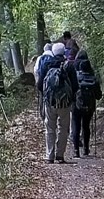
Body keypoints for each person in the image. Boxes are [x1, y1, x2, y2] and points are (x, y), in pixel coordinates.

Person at [33, 30, 78, 162]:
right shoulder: (69, 66)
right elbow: (75, 85)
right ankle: (60, 155)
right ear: (64, 52)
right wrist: (71, 98)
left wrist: (45, 96)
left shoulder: (47, 64)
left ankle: (49, 155)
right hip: (65, 102)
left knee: (50, 128)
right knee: (63, 128)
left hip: (50, 101)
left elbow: (40, 84)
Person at [68, 39, 101, 155]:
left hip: (76, 106)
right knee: (86, 127)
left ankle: (76, 151)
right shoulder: (93, 77)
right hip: (89, 107)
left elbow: (72, 91)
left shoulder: (76, 76)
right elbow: (99, 95)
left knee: (76, 126)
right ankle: (86, 149)